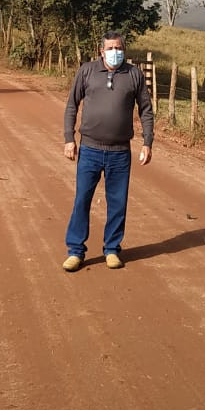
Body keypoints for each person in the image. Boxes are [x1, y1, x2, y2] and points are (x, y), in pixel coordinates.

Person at [62, 30, 154, 271]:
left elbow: (146, 109)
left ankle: (112, 249)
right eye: (111, 48)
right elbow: (72, 104)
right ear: (101, 51)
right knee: (82, 199)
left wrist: (148, 141)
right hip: (90, 149)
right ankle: (75, 250)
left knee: (118, 202)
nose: (115, 52)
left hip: (120, 153)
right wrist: (69, 138)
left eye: (119, 48)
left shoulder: (133, 74)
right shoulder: (87, 71)